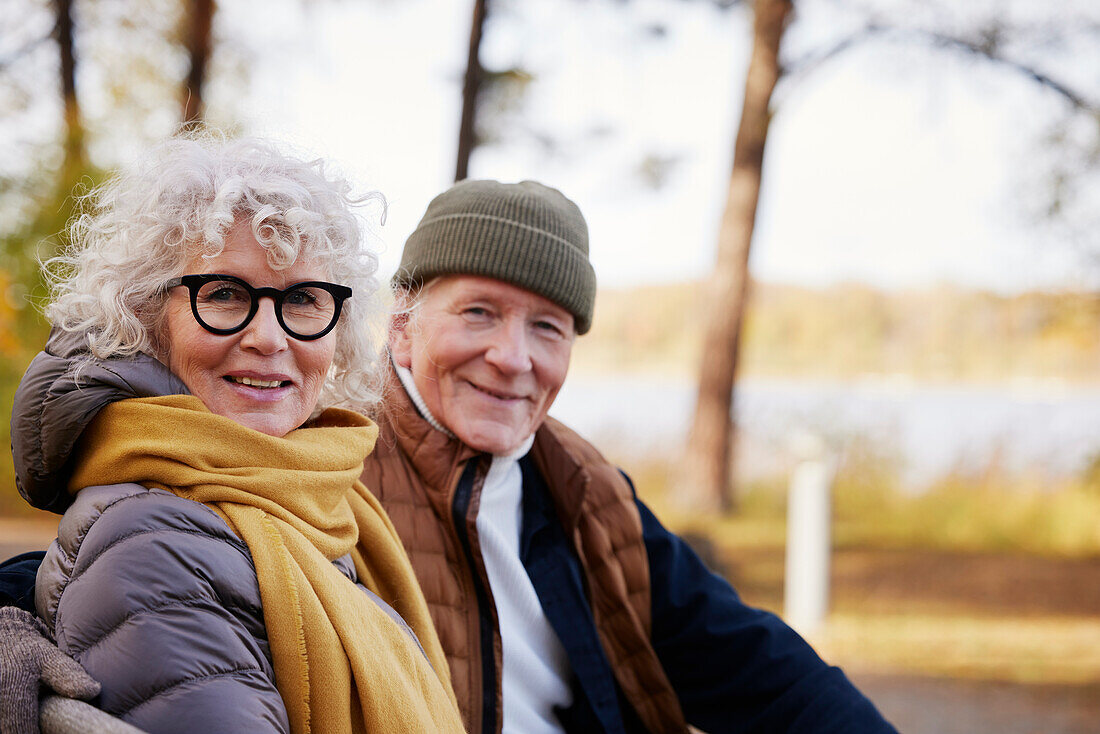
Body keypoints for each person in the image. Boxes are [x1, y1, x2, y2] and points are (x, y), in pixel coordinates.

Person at [3, 177, 897, 734]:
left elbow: (748, 663)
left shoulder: (580, 486)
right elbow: (135, 558)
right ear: (400, 324)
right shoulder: (321, 456)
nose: (513, 357)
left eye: (546, 327)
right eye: (479, 313)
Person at [0, 136, 463, 734]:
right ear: (146, 317)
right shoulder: (152, 545)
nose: (270, 338)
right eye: (223, 294)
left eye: (302, 299)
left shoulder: (324, 499)